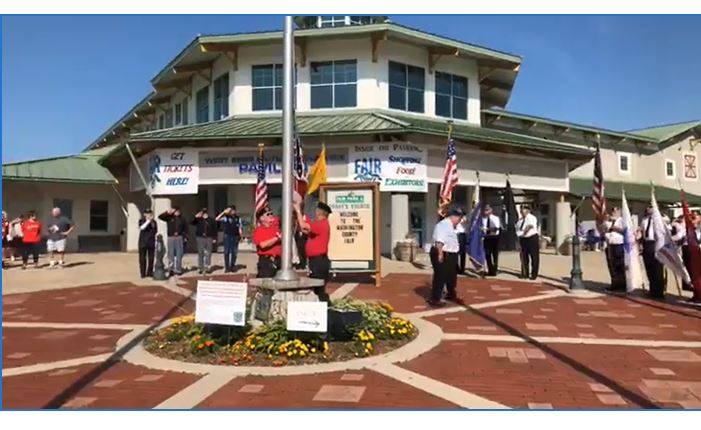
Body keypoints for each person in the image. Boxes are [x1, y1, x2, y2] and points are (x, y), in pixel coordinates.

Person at [295, 201, 331, 301]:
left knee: (318, 288)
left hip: (319, 261)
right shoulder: (318, 224)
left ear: (319, 212)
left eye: (316, 210)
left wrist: (298, 211)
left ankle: (324, 308)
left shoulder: (322, 224)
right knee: (316, 288)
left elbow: (304, 226)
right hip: (315, 261)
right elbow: (305, 230)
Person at [428, 207, 463, 307]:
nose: (459, 220)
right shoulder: (442, 225)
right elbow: (439, 240)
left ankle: (451, 294)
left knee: (451, 275)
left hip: (451, 254)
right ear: (454, 217)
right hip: (442, 252)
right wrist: (440, 254)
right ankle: (435, 299)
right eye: (459, 218)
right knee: (440, 276)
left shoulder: (452, 226)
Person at [638, 205, 665, 299]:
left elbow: (666, 231)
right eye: (647, 207)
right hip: (647, 243)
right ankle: (652, 290)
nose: (648, 209)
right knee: (649, 267)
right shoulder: (645, 219)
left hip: (657, 243)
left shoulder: (661, 219)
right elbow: (641, 231)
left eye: (650, 207)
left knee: (657, 269)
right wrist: (639, 240)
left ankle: (659, 292)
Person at [252, 206, 282, 278]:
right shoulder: (259, 230)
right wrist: (277, 238)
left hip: (279, 260)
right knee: (266, 283)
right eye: (268, 214)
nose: (271, 215)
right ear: (261, 218)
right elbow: (263, 245)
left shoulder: (276, 226)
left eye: (271, 213)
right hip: (267, 261)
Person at [159, 207, 188, 275]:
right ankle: (171, 269)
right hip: (171, 237)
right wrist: (167, 212)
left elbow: (186, 229)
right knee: (171, 254)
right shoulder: (169, 218)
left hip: (179, 237)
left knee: (179, 253)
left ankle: (178, 269)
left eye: (178, 211)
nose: (177, 212)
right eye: (175, 211)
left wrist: (185, 237)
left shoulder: (182, 219)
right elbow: (160, 217)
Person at [602, 207, 626, 291]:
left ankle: (622, 285)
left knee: (620, 266)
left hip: (619, 244)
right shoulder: (610, 221)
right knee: (612, 266)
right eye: (612, 210)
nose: (613, 212)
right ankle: (615, 284)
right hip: (610, 245)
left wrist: (614, 227)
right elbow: (603, 229)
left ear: (620, 212)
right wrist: (605, 221)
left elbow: (625, 231)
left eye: (615, 210)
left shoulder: (622, 220)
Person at [216, 205, 243, 273]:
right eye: (230, 210)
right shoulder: (226, 217)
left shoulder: (238, 218)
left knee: (234, 252)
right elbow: (217, 219)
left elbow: (240, 227)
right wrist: (223, 212)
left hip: (235, 236)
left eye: (233, 210)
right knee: (227, 252)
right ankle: (227, 267)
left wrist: (241, 236)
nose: (232, 211)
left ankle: (232, 266)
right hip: (227, 236)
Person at [516, 204, 539, 280]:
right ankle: (525, 273)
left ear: (528, 210)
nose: (522, 211)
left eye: (524, 209)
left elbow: (529, 226)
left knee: (534, 257)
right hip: (523, 239)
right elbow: (517, 230)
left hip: (531, 238)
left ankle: (534, 274)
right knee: (524, 257)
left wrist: (523, 232)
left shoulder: (531, 218)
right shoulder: (520, 220)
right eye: (521, 209)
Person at [191, 208, 217, 275]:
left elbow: (214, 229)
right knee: (200, 253)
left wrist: (214, 238)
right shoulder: (198, 220)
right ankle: (200, 268)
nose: (203, 214)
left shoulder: (211, 220)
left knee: (208, 253)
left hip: (209, 237)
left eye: (204, 213)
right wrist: (196, 217)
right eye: (202, 213)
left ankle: (207, 267)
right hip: (200, 237)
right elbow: (191, 222)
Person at [671, 215, 691, 291]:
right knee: (686, 267)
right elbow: (679, 236)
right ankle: (688, 285)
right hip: (685, 248)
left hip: (694, 249)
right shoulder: (683, 228)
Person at [481, 204, 502, 276]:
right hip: (486, 238)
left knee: (494, 255)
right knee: (487, 255)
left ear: (491, 210)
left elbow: (496, 228)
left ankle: (494, 270)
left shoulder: (495, 218)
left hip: (494, 238)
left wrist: (487, 229)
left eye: (488, 210)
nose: (486, 211)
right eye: (485, 210)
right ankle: (490, 270)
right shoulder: (483, 219)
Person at [138, 209, 157, 278]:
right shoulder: (141, 221)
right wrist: (148, 221)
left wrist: (151, 221)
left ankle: (150, 272)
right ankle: (143, 273)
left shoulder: (154, 222)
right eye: (147, 213)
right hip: (143, 243)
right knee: (142, 259)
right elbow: (142, 228)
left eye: (150, 213)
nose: (149, 215)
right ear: (144, 214)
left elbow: (155, 231)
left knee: (151, 258)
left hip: (151, 242)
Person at [293, 201, 310, 270]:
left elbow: (307, 229)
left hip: (303, 239)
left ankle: (303, 265)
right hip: (295, 238)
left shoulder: (305, 218)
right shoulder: (291, 218)